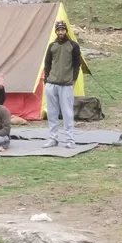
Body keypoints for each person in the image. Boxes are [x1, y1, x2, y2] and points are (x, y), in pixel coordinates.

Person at [43, 20, 82, 149]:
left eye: (62, 30)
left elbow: (77, 64)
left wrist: (74, 79)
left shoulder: (73, 45)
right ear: (56, 32)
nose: (60, 32)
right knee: (52, 113)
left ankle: (70, 140)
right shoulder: (52, 46)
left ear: (66, 31)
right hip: (51, 83)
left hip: (66, 84)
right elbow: (47, 64)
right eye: (58, 30)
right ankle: (53, 138)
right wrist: (46, 80)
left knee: (67, 113)